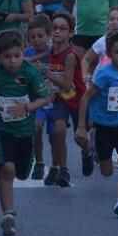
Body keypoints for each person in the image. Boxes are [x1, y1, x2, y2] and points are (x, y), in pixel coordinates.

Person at [0, 30, 50, 236]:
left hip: (25, 130)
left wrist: (27, 108)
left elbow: (45, 98)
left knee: (22, 173)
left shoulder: (29, 72)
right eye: (7, 57)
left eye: (17, 56)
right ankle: (8, 214)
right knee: (8, 169)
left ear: (23, 53)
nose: (12, 61)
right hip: (2, 129)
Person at [76, 30, 118, 220]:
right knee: (106, 172)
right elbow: (86, 97)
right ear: (110, 54)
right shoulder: (104, 74)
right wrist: (81, 126)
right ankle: (88, 149)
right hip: (102, 127)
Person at [44, 11, 87, 187]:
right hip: (60, 99)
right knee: (59, 130)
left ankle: (87, 151)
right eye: (54, 28)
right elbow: (38, 58)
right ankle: (63, 169)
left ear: (70, 33)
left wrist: (46, 73)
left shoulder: (70, 55)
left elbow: (67, 85)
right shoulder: (50, 51)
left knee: (79, 138)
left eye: (62, 29)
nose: (57, 32)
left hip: (77, 99)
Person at [24, 15, 54, 181]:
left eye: (40, 36)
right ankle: (40, 162)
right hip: (36, 99)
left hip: (54, 99)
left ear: (48, 35)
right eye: (32, 37)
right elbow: (23, 63)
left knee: (56, 135)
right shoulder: (27, 52)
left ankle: (57, 166)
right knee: (36, 128)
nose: (36, 40)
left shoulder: (54, 52)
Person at [82, 5, 118, 81]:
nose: (115, 22)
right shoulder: (101, 41)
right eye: (111, 19)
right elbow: (86, 59)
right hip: (101, 81)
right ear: (107, 22)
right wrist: (84, 75)